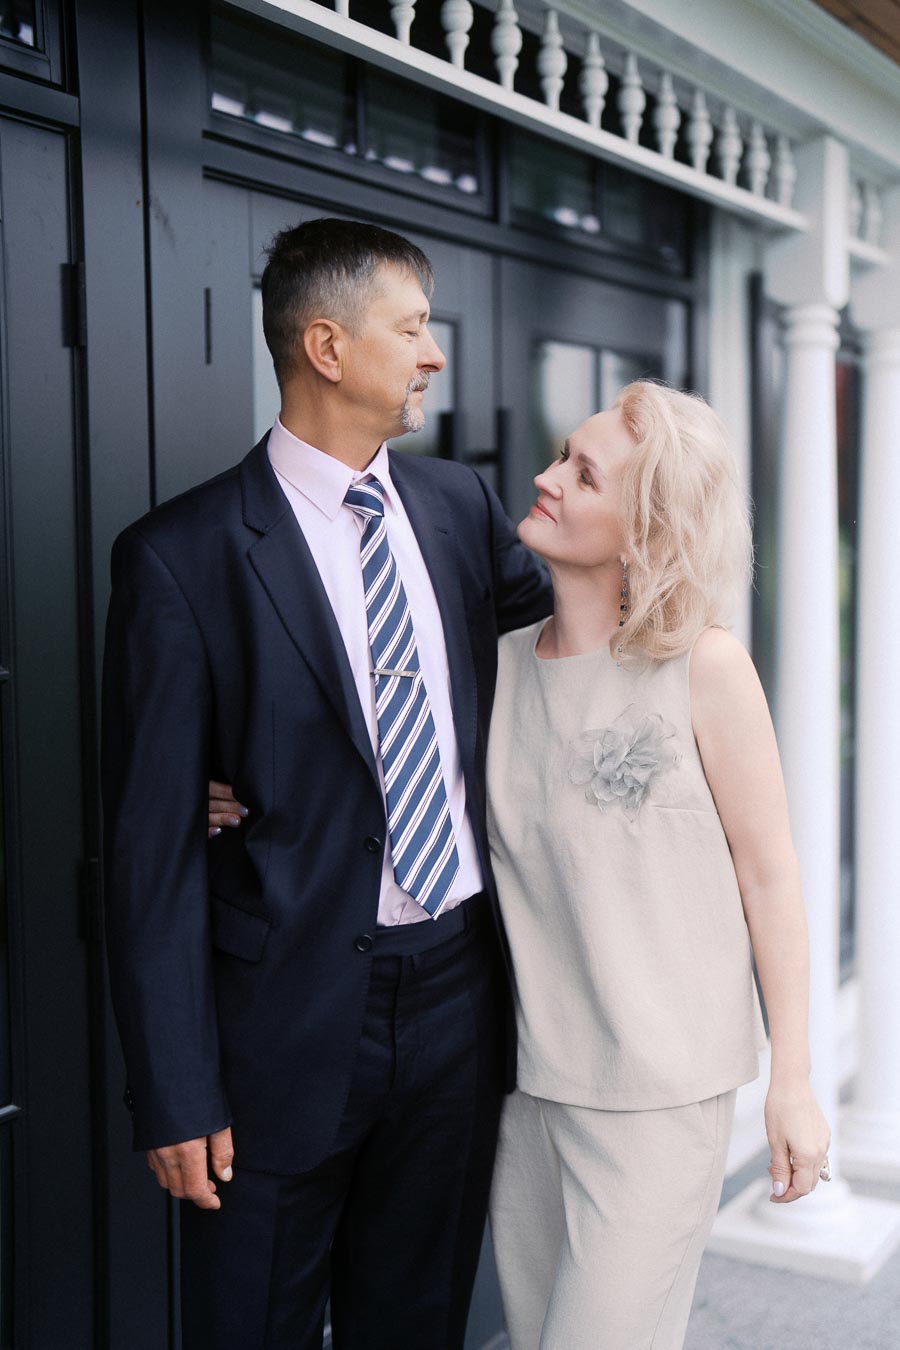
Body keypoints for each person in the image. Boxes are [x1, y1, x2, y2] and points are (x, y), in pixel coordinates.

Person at [101, 217, 551, 1350]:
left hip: (457, 993)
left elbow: (573, 648)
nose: (434, 354)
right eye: (413, 328)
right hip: (277, 1026)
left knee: (419, 1319)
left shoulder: (458, 507)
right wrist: (175, 1089)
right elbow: (150, 855)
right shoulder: (179, 556)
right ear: (327, 346)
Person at [485, 382, 831, 1349]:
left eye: (584, 475)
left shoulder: (704, 668)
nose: (549, 477)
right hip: (526, 1089)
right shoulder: (496, 667)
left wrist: (794, 1079)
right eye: (564, 454)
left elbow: (770, 879)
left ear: (643, 535)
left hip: (658, 1100)